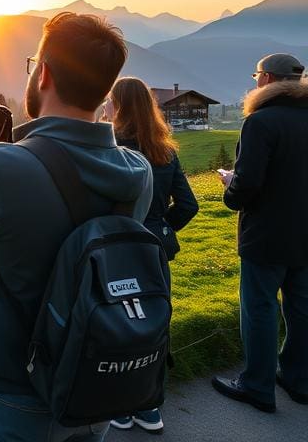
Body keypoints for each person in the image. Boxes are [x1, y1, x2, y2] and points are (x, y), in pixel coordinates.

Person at [0, 12, 152, 442]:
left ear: (45, 75)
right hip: (91, 386)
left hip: (10, 393)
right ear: (104, 88)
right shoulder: (136, 171)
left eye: (32, 64)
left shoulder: (1, 169)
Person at [213, 53, 308, 412]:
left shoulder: (262, 122)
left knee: (260, 308)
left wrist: (230, 186)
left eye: (256, 76)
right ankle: (299, 380)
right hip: (306, 234)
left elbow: (248, 186)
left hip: (266, 235)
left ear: (266, 79)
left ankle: (257, 385)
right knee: (301, 308)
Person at [107, 76, 199, 434]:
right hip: (155, 249)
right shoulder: (166, 150)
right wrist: (162, 229)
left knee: (116, 323)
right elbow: (188, 205)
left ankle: (119, 403)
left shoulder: (111, 147)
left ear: (117, 106)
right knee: (154, 322)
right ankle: (150, 407)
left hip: (114, 249)